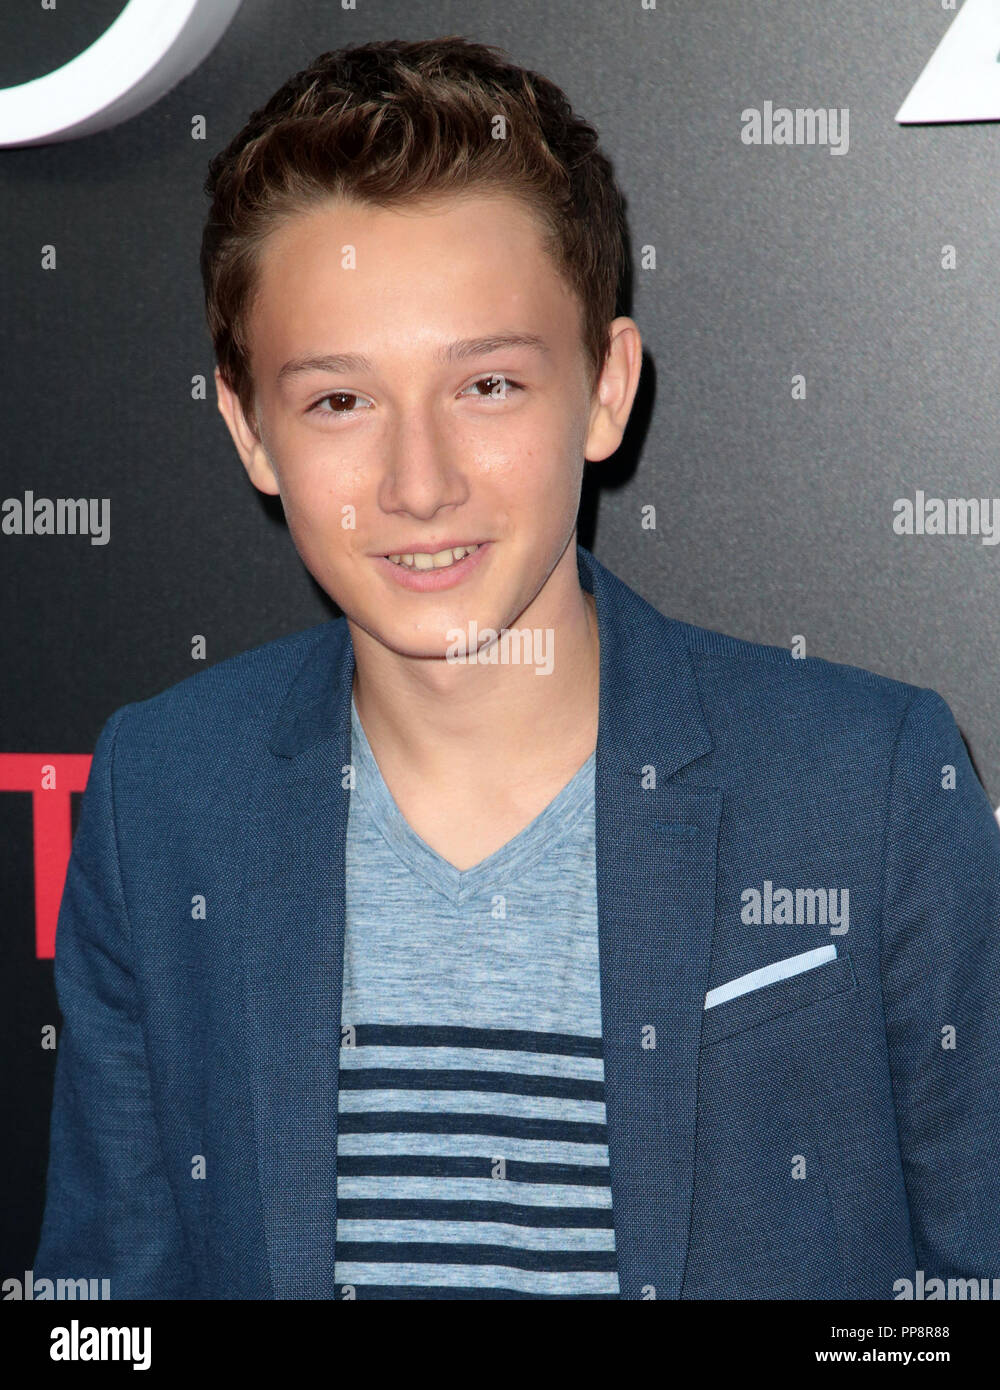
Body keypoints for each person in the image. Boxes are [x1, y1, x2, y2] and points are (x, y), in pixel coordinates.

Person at [34, 35, 1000, 1300]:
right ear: (246, 428)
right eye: (339, 401)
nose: (418, 483)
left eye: (486, 383)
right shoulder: (164, 793)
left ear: (605, 388)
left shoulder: (865, 787)